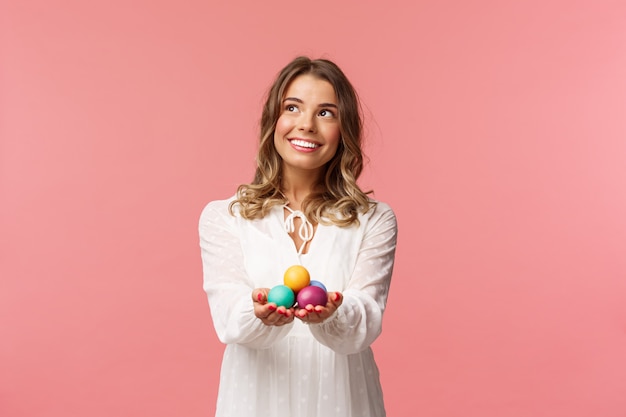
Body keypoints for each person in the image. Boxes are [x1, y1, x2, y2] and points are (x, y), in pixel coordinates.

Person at [198, 56, 398, 417]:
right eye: (293, 107)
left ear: (345, 129)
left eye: (326, 113)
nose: (306, 125)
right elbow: (228, 318)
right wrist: (256, 312)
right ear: (273, 119)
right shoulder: (225, 217)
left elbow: (367, 319)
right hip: (255, 401)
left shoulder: (374, 219)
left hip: (344, 401)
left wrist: (334, 313)